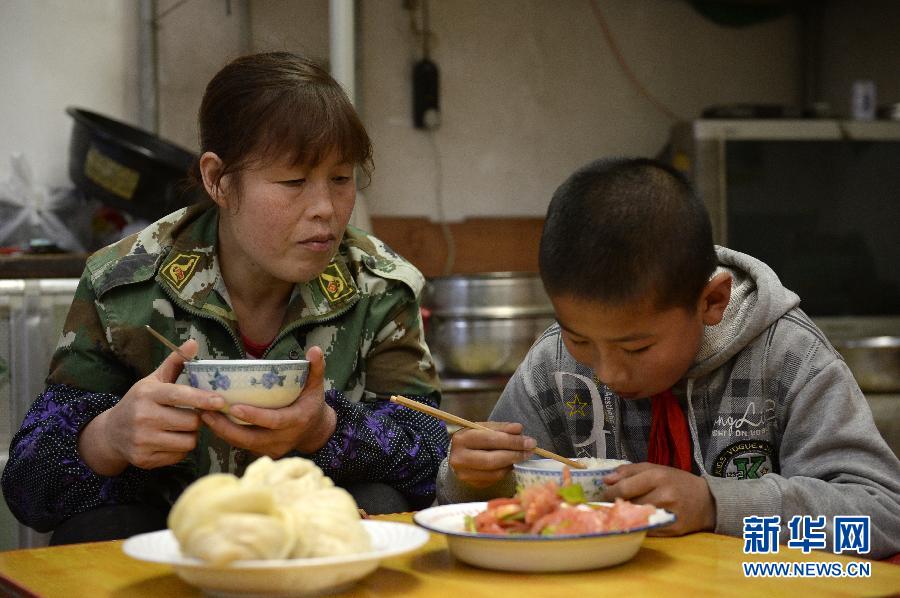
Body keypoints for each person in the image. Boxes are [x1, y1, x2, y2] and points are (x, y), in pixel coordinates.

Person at [2, 52, 449, 544]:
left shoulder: (379, 286)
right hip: (172, 546)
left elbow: (433, 458)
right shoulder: (123, 283)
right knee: (96, 529)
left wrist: (326, 429)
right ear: (217, 179)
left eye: (340, 179)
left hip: (314, 548)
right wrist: (107, 437)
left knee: (383, 504)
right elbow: (28, 489)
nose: (325, 209)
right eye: (294, 182)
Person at [436, 157, 900, 558]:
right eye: (580, 339)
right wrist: (472, 480)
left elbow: (881, 516)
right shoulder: (553, 366)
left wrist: (718, 504)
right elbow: (467, 508)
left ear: (711, 301)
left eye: (636, 347)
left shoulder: (787, 358)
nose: (608, 372)